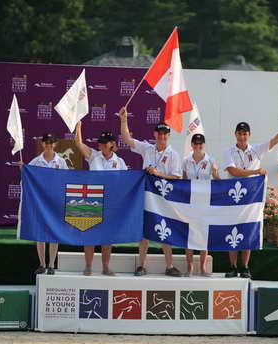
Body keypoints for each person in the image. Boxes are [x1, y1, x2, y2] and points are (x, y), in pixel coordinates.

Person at [222, 115, 278, 278]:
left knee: (248, 231)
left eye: (245, 134)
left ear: (249, 135)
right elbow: (233, 171)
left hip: (251, 199)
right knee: (233, 232)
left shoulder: (256, 149)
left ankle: (244, 267)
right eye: (240, 133)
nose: (242, 137)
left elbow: (276, 139)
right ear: (235, 134)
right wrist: (255, 172)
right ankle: (232, 266)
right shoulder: (228, 151)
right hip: (234, 200)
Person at [119, 107, 183, 277]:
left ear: (168, 135)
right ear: (155, 134)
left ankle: (169, 266)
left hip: (164, 197)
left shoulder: (174, 155)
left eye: (165, 134)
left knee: (165, 230)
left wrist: (157, 173)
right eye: (159, 133)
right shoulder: (147, 148)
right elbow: (127, 139)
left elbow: (177, 177)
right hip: (146, 195)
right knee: (145, 231)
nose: (162, 136)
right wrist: (124, 120)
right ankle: (141, 265)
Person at [74, 121, 127, 276]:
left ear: (112, 144)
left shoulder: (120, 162)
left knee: (107, 237)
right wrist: (78, 128)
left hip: (111, 204)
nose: (101, 146)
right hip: (92, 202)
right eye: (101, 143)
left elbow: (126, 182)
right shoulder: (93, 155)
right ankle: (88, 266)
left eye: (105, 143)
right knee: (89, 235)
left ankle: (105, 267)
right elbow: (78, 143)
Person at [27, 133, 69, 275]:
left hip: (55, 201)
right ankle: (42, 264)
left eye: (51, 142)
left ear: (55, 144)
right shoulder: (36, 161)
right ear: (42, 144)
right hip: (40, 201)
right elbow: (27, 176)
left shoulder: (61, 161)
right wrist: (23, 169)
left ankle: (51, 264)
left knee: (53, 233)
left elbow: (67, 180)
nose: (49, 145)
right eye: (46, 142)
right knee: (40, 234)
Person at [182, 133, 220, 277]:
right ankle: (190, 267)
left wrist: (216, 174)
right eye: (195, 143)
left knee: (204, 235)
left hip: (205, 203)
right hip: (190, 203)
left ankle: (203, 268)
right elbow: (183, 181)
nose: (198, 146)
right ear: (191, 145)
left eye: (200, 144)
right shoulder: (186, 160)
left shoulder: (211, 160)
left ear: (204, 145)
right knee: (189, 235)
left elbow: (218, 181)